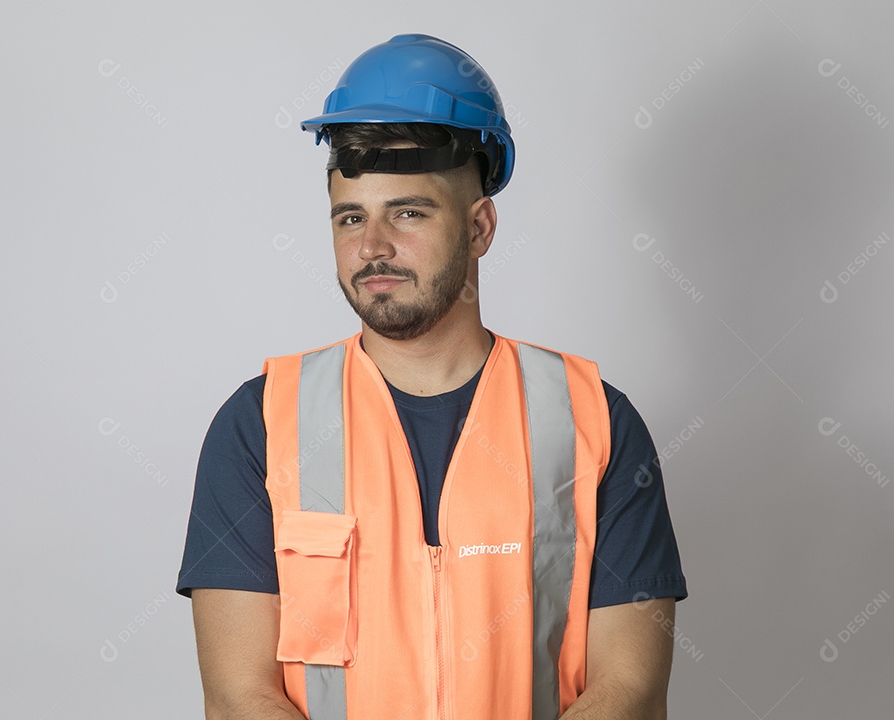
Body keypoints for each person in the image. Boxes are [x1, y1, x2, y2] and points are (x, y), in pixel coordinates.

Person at [177, 34, 687, 720]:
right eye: (351, 217)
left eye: (408, 213)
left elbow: (630, 689)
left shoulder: (592, 420)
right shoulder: (260, 425)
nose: (373, 247)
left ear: (480, 227)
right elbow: (241, 697)